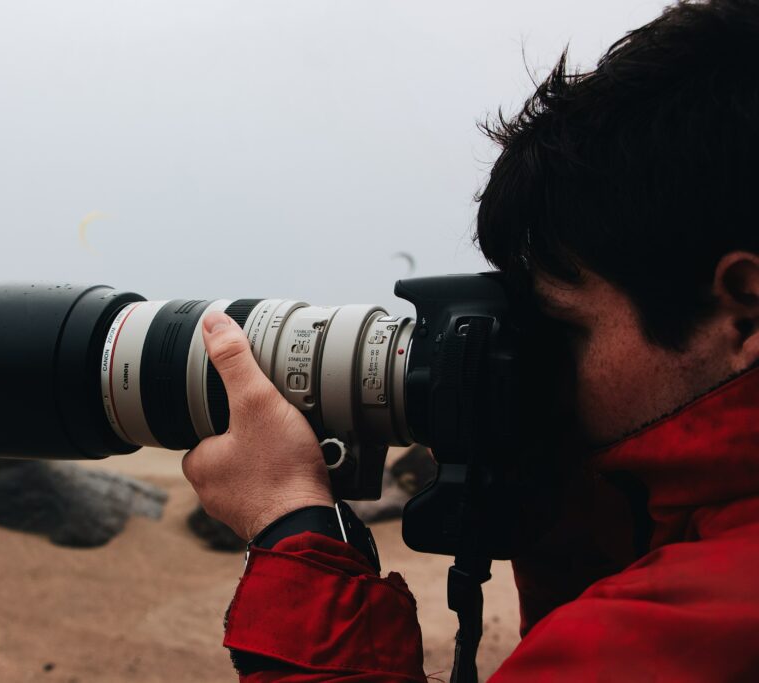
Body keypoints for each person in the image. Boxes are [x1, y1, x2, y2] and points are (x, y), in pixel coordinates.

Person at [180, 0, 759, 680]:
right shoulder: (698, 551)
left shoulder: (700, 628)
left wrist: (290, 524)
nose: (540, 360)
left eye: (566, 327)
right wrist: (562, 509)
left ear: (743, 314)